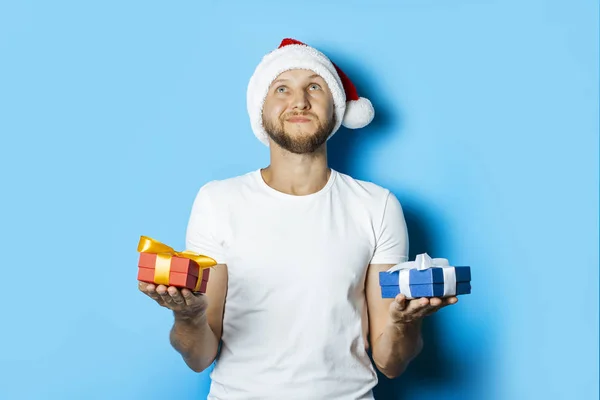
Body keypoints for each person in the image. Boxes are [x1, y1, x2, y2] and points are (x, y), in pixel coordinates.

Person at [138, 38, 458, 400]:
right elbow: (199, 357)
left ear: (336, 108)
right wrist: (188, 316)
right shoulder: (217, 201)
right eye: (282, 88)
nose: (299, 101)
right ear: (260, 108)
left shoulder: (377, 206)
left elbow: (390, 362)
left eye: (315, 87)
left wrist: (405, 323)